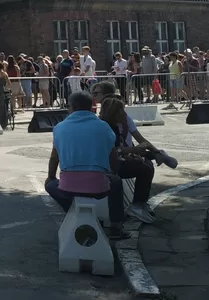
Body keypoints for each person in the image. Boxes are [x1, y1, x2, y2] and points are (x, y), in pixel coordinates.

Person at [45, 91, 130, 240]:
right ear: (91, 106)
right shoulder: (104, 127)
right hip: (98, 188)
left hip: (67, 189)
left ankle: (73, 212)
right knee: (116, 182)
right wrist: (112, 172)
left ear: (72, 107)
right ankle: (116, 227)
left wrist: (50, 177)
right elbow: (113, 160)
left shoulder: (59, 128)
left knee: (50, 184)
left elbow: (54, 158)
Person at [91, 80, 179, 170]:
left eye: (96, 93)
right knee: (145, 165)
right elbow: (138, 139)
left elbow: (137, 139)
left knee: (145, 165)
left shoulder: (107, 119)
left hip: (118, 156)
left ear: (106, 94)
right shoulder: (120, 117)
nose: (93, 96)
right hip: (118, 152)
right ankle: (158, 154)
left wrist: (135, 149)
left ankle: (157, 154)